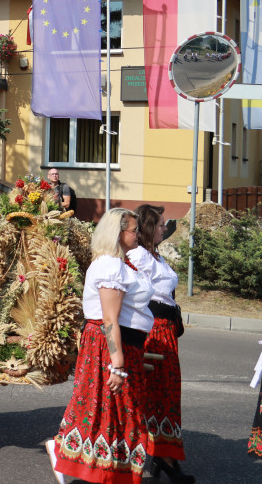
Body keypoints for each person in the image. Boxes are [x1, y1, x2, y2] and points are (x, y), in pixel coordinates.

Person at [47, 207, 154, 484]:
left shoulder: (122, 263)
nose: (138, 234)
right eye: (134, 230)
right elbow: (109, 318)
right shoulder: (110, 265)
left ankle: (103, 468)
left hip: (124, 344)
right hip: (110, 346)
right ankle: (71, 455)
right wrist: (117, 363)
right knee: (106, 407)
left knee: (112, 410)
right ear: (118, 233)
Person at [128, 205, 196, 483]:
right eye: (159, 225)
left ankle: (163, 456)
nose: (164, 228)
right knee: (156, 391)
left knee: (166, 392)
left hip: (166, 329)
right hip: (153, 329)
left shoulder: (154, 255)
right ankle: (163, 459)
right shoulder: (137, 255)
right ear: (146, 227)